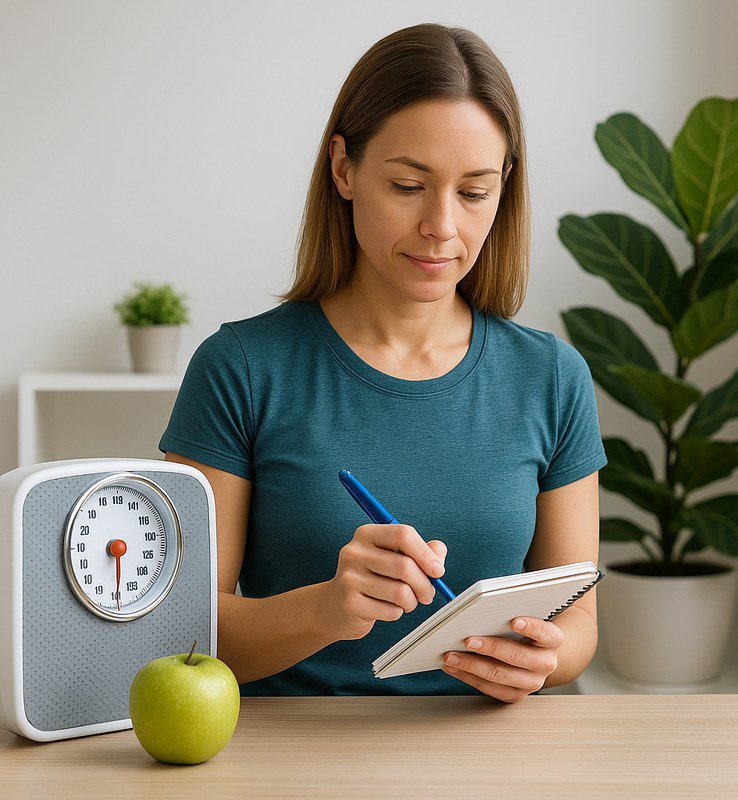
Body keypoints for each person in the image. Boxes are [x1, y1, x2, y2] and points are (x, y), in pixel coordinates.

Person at [160, 23, 607, 704]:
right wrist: (326, 611)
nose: (442, 225)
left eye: (474, 192)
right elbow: (183, 633)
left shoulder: (552, 378)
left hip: (498, 756)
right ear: (344, 169)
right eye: (407, 185)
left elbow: (578, 619)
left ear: (504, 188)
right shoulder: (241, 369)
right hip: (299, 756)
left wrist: (548, 656)